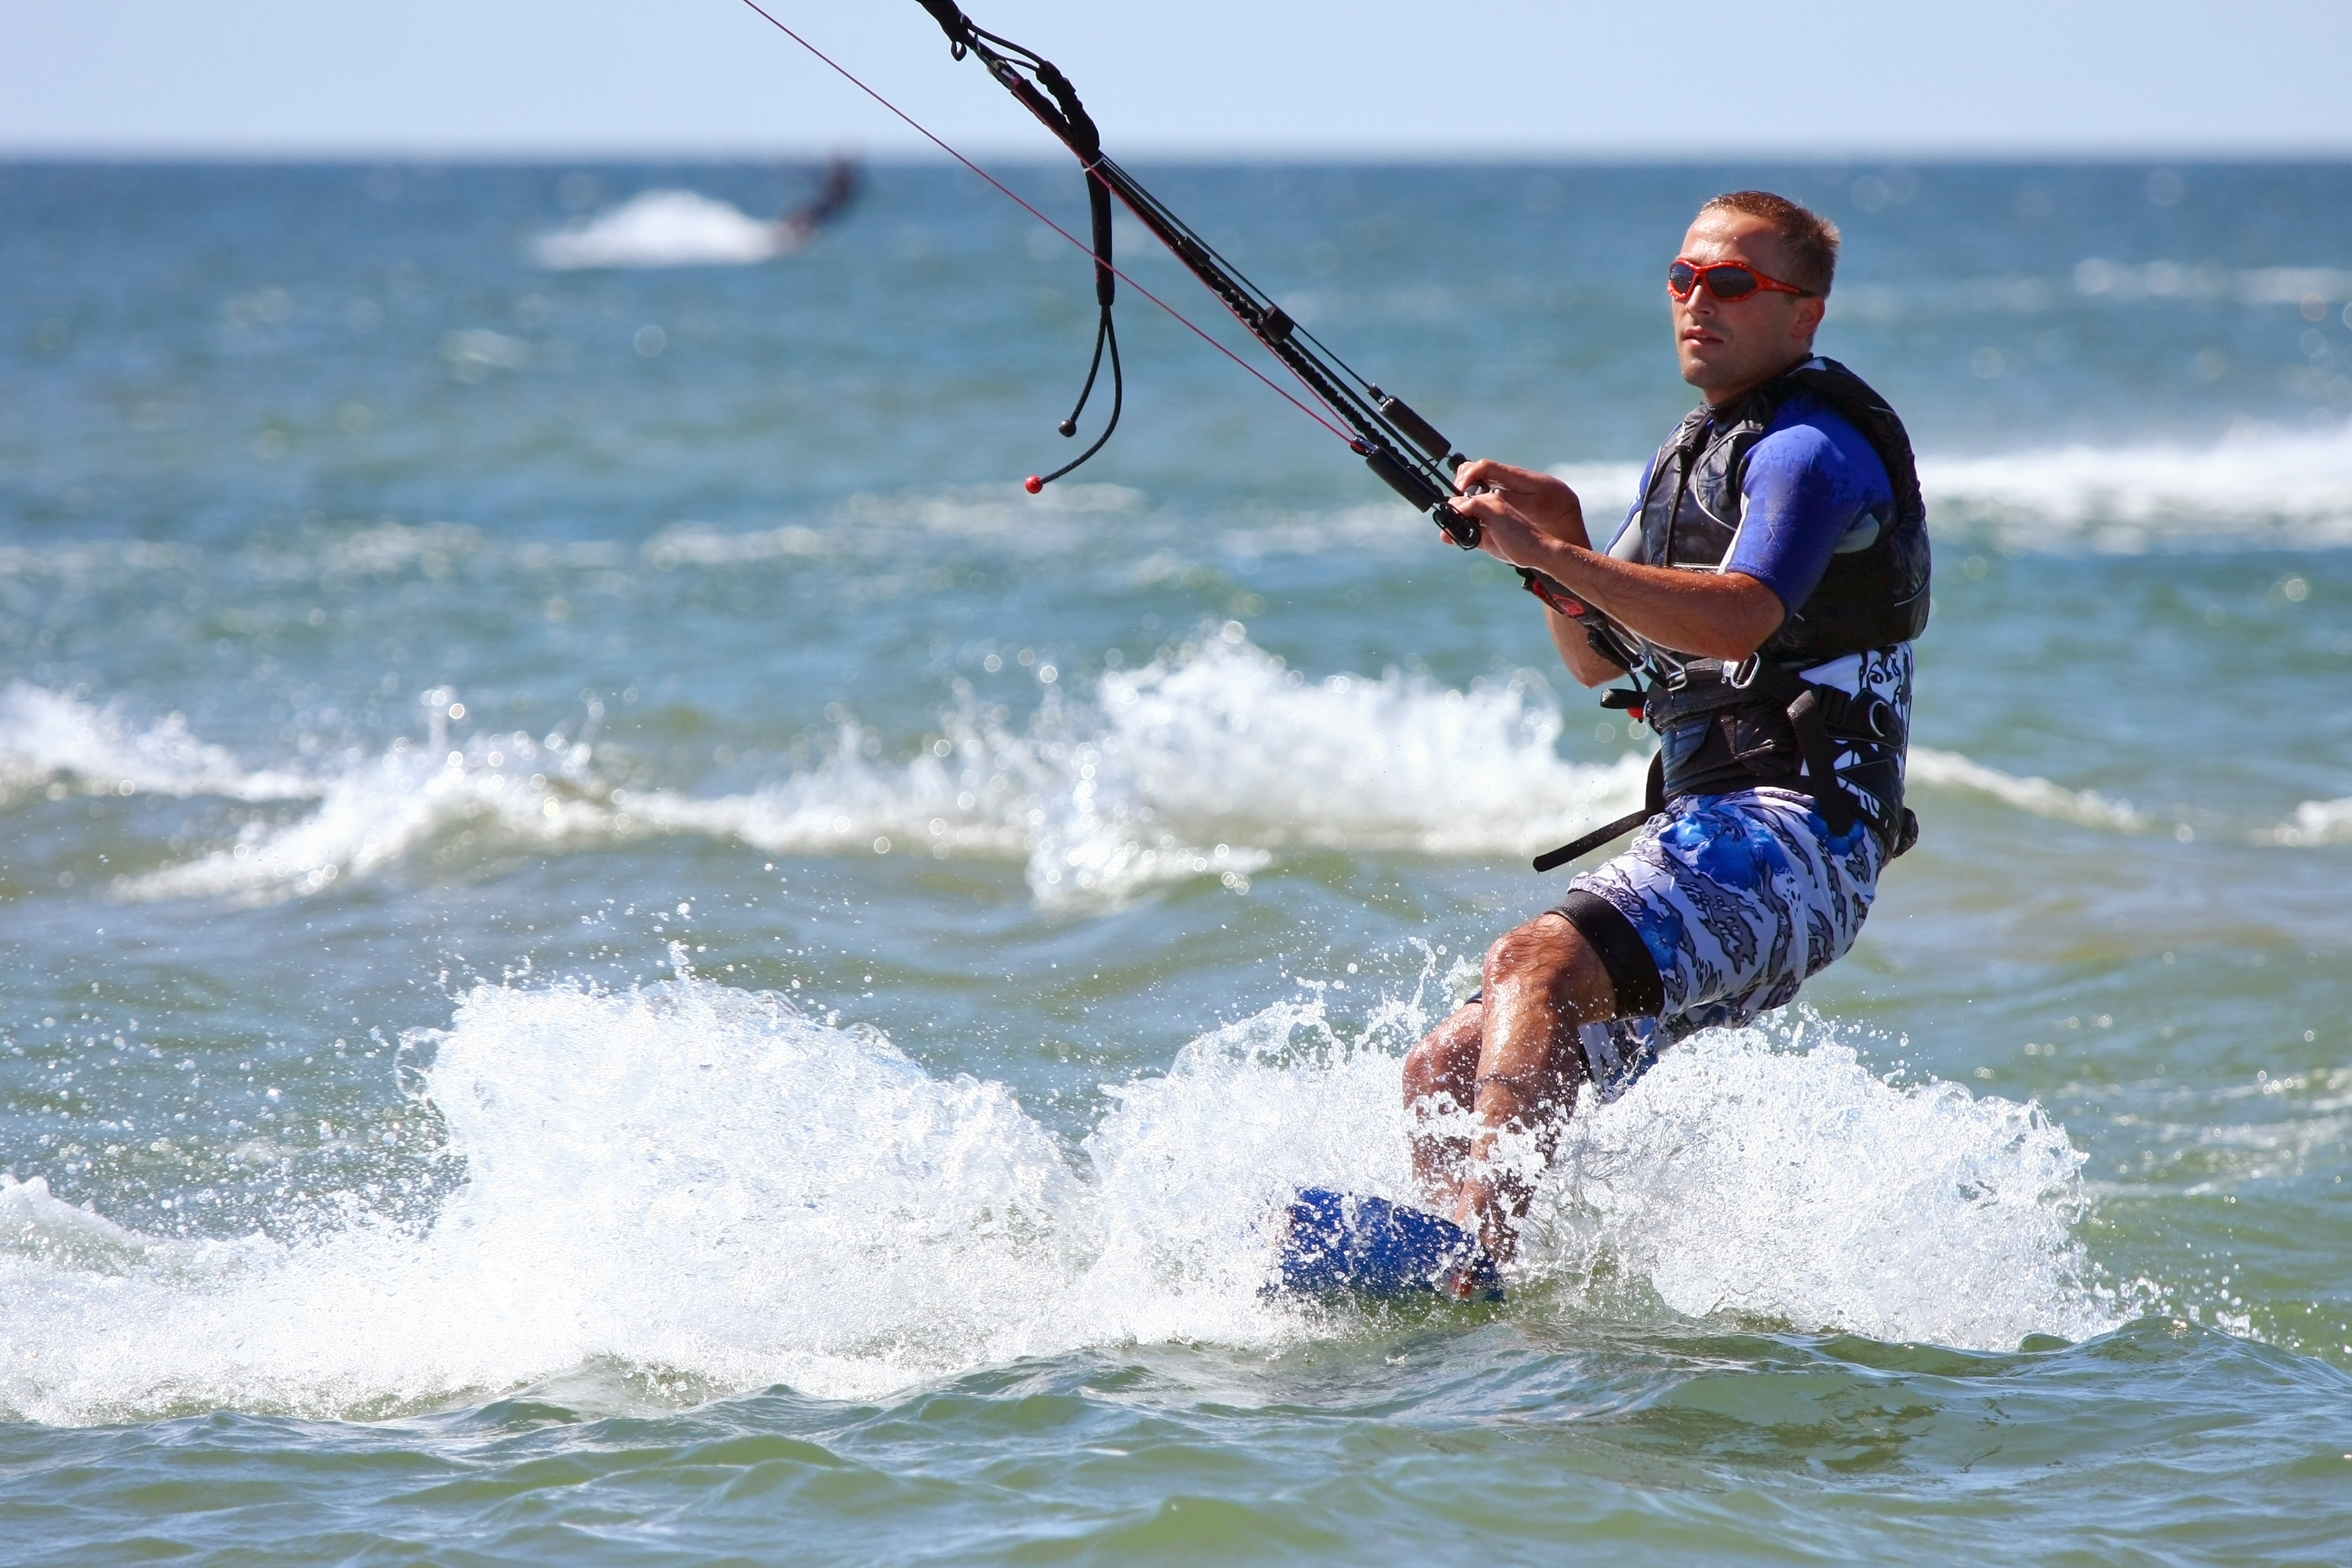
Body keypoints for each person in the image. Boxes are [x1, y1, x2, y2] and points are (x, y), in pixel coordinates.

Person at [1403, 190, 1930, 1268]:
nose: (1698, 301)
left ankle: (1475, 1258)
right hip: (1718, 837)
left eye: (1732, 283)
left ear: (1804, 315)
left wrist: (1543, 554)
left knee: (1533, 967)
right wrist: (1562, 534)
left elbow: (1742, 610)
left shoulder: (1808, 453)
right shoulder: (1691, 455)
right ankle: (1469, 1271)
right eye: (1683, 278)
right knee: (1445, 1071)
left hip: (1801, 837)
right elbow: (1605, 654)